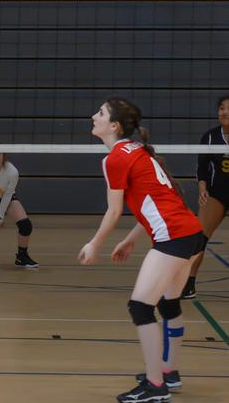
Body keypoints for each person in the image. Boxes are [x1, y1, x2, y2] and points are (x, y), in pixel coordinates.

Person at [79, 97, 206, 402]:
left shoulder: (115, 158)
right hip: (192, 233)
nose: (93, 117)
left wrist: (94, 244)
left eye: (100, 113)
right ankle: (168, 372)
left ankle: (155, 386)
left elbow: (113, 212)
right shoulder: (136, 150)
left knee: (140, 307)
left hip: (174, 239)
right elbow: (162, 197)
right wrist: (133, 237)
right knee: (169, 304)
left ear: (114, 126)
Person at [181, 94, 229, 299]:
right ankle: (188, 283)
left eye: (228, 108)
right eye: (221, 108)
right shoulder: (210, 137)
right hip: (217, 194)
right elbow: (202, 168)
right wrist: (202, 189)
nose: (225, 112)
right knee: (198, 239)